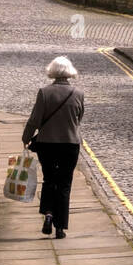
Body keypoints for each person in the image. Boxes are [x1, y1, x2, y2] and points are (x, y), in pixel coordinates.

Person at [22, 56, 85, 239]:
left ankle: (48, 215)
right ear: (69, 72)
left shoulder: (44, 92)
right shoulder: (78, 94)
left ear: (52, 71)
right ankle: (60, 227)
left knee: (49, 180)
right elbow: (78, 119)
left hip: (47, 144)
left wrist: (26, 138)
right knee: (64, 184)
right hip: (70, 145)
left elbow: (35, 120)